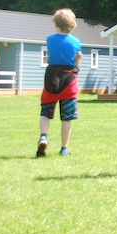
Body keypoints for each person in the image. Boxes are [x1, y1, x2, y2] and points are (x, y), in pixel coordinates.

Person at [37, 9, 82, 157]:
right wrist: (78, 60)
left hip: (51, 77)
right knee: (67, 117)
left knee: (46, 112)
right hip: (68, 80)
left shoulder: (50, 39)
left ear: (56, 24)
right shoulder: (76, 42)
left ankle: (43, 136)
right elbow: (76, 59)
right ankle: (64, 148)